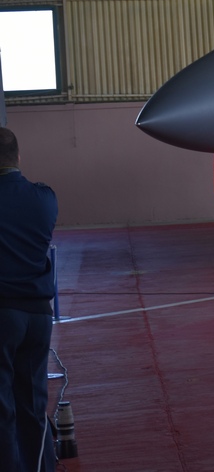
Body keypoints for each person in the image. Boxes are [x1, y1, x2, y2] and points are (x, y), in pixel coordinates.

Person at [0, 127, 58, 472]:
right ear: (18, 157)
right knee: (33, 406)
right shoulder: (45, 198)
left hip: (2, 314)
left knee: (2, 409)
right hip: (38, 316)